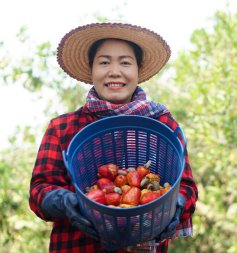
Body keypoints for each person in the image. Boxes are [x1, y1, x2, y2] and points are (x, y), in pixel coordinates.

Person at [29, 22, 198, 253]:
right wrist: (64, 201)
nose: (114, 71)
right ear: (91, 70)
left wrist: (174, 206)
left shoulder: (163, 125)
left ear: (138, 70)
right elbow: (39, 190)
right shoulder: (63, 127)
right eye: (104, 62)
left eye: (126, 62)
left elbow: (187, 187)